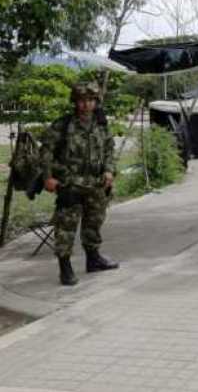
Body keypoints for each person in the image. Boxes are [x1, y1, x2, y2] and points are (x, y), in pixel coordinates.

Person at [40, 81, 119, 286]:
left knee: (94, 222)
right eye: (82, 101)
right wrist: (48, 177)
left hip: (96, 184)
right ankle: (65, 268)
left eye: (90, 100)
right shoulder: (63, 125)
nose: (86, 105)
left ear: (96, 101)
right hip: (70, 184)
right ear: (75, 102)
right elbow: (46, 152)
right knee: (65, 227)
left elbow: (110, 149)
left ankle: (93, 260)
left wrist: (109, 170)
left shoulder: (101, 124)